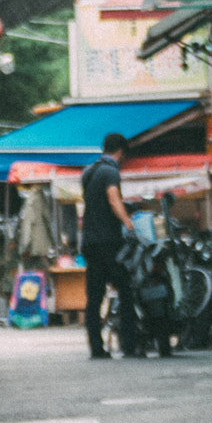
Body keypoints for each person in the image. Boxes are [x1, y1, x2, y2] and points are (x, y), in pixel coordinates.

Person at [79, 133, 139, 359]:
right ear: (121, 151)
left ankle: (96, 347)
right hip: (108, 242)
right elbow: (113, 199)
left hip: (90, 242)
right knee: (126, 289)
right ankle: (129, 345)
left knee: (94, 297)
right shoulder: (110, 171)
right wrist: (128, 224)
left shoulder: (89, 171)